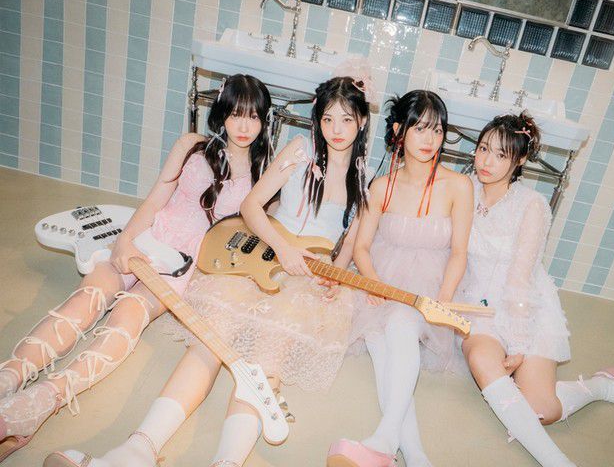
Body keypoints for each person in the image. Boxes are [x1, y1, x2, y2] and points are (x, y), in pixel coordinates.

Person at [45, 74, 374, 467]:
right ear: (317, 120)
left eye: (347, 120)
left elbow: (349, 244)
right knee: (209, 342)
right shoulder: (299, 150)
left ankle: (227, 461)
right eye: (328, 118)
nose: (336, 129)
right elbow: (251, 205)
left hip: (305, 279)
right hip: (259, 256)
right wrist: (283, 248)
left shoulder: (364, 180)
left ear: (362, 122)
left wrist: (334, 276)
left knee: (266, 362)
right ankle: (137, 450)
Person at [0, 74, 274, 461]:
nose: (244, 126)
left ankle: (38, 404)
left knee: (124, 323)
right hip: (146, 237)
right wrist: (126, 240)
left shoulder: (264, 176)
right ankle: (7, 380)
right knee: (85, 300)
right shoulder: (192, 146)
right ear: (221, 115)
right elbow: (157, 197)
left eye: (253, 116)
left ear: (264, 120)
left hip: (179, 267)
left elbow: (256, 236)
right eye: (235, 114)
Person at [457, 112, 614, 467]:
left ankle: (603, 386)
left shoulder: (532, 205)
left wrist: (519, 344)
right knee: (481, 359)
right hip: (477, 307)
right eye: (483, 149)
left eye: (501, 154)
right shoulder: (463, 189)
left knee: (542, 410)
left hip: (525, 309)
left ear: (520, 160)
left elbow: (520, 278)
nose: (487, 162)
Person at [328, 90, 473, 467]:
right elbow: (362, 247)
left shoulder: (459, 186)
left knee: (401, 325)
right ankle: (412, 454)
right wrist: (376, 285)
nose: (430, 139)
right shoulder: (381, 187)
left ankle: (385, 440)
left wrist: (442, 299)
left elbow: (459, 252)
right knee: (379, 342)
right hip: (383, 277)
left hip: (432, 284)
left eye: (437, 130)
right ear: (398, 131)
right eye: (420, 128)